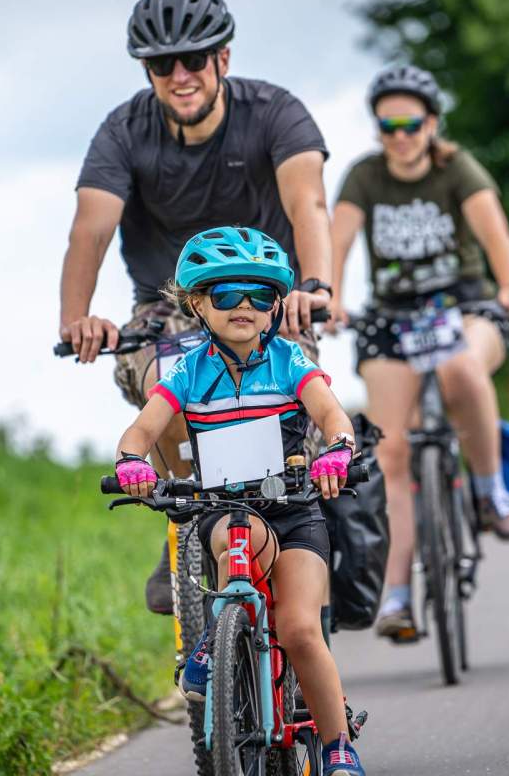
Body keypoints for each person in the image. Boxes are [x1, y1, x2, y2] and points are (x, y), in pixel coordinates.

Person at [59, 0, 334, 614]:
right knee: (174, 384)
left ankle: (304, 555)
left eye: (194, 60)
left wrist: (313, 287)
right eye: (162, 65)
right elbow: (91, 228)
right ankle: (189, 525)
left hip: (270, 301)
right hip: (166, 307)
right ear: (147, 71)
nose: (179, 76)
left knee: (298, 415)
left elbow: (308, 203)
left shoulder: (275, 112)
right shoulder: (124, 131)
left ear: (223, 59)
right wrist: (78, 319)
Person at [115, 227, 365, 776]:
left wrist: (339, 451)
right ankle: (216, 639)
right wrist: (132, 462)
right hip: (226, 511)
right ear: (198, 304)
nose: (244, 307)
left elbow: (331, 415)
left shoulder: (290, 361)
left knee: (300, 629)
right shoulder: (188, 371)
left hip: (295, 510)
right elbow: (141, 431)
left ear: (277, 304)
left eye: (259, 295)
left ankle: (338, 746)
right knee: (239, 530)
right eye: (227, 295)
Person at [328, 64, 509, 642]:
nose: (399, 134)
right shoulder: (365, 177)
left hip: (463, 304)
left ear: (431, 123)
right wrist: (334, 299)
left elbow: (497, 235)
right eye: (387, 124)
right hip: (392, 317)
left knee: (459, 363)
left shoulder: (456, 167)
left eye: (410, 123)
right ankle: (396, 598)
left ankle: (492, 491)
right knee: (389, 455)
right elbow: (338, 243)